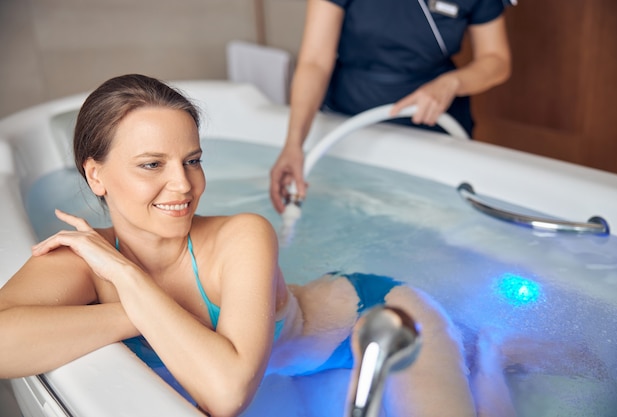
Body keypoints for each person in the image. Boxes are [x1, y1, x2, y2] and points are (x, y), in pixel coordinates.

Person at [0, 74, 515, 417]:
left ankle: (486, 353)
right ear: (96, 175)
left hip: (376, 323)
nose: (183, 185)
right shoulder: (84, 260)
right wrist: (139, 307)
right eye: (152, 165)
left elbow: (226, 395)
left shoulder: (242, 235)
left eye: (193, 160)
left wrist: (132, 284)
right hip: (291, 365)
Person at [269, 0, 513, 213]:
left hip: (432, 119)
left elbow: (496, 60)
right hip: (348, 118)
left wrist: (451, 84)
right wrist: (294, 143)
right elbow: (315, 61)